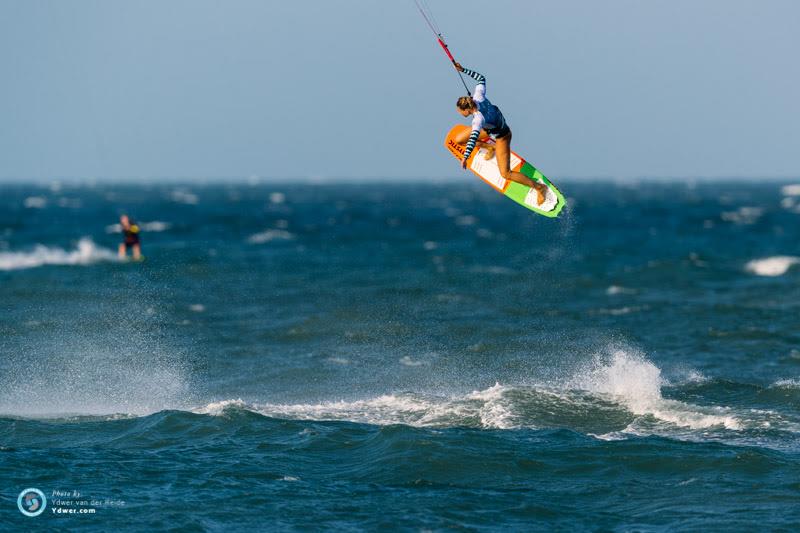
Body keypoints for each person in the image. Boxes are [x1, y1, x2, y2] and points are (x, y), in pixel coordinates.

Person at [452, 63, 547, 205]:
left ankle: (539, 187)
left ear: (466, 110)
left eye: (460, 111)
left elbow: (472, 139)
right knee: (458, 139)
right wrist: (463, 70)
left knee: (506, 174)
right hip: (489, 128)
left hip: (502, 136)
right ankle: (489, 147)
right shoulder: (478, 96)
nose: (459, 114)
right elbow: (481, 78)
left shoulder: (478, 120)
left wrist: (465, 157)